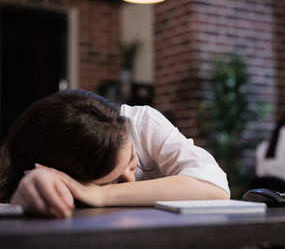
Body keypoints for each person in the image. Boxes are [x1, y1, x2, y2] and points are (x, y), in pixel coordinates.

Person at [0, 89, 230, 218]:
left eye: (132, 163)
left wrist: (104, 193)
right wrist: (39, 186)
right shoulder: (54, 164)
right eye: (112, 180)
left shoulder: (141, 124)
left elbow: (215, 186)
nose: (129, 181)